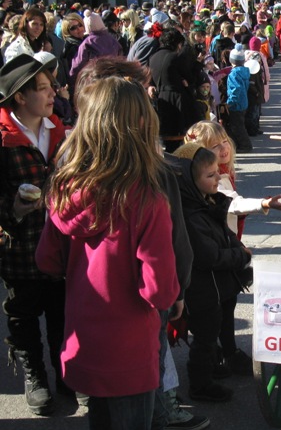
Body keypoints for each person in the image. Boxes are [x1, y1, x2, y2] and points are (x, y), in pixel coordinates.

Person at [73, 56, 210, 430]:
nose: (150, 95)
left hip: (87, 320)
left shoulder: (69, 177)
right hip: (136, 325)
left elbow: (48, 258)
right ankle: (163, 413)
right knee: (141, 405)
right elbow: (163, 268)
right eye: (140, 92)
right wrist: (177, 289)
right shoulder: (152, 183)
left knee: (102, 409)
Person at [35, 74, 180, 430]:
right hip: (129, 353)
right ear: (141, 125)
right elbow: (159, 291)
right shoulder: (147, 200)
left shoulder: (64, 189)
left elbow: (47, 260)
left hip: (84, 344)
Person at [0, 54, 70, 416]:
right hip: (20, 247)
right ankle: (35, 376)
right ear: (20, 97)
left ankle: (65, 373)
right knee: (23, 316)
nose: (52, 94)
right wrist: (12, 209)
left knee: (61, 314)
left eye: (51, 86)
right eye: (43, 88)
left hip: (59, 244)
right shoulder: (3, 139)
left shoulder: (57, 129)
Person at [172, 142, 252, 398]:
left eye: (217, 171)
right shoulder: (191, 216)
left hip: (217, 287)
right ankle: (200, 384)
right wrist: (240, 255)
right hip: (203, 290)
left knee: (214, 329)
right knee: (205, 337)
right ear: (189, 182)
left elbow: (225, 235)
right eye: (210, 175)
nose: (218, 177)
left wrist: (237, 248)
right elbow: (210, 256)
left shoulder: (206, 203)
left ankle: (213, 365)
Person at [184, 120, 281, 239]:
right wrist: (263, 203)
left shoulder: (224, 170)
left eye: (225, 141)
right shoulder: (211, 178)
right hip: (218, 236)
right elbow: (230, 202)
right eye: (215, 146)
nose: (223, 147)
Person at [225, 44, 252, 153]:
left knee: (237, 126)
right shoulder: (245, 71)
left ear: (232, 60)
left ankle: (245, 145)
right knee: (239, 124)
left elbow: (236, 89)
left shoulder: (234, 74)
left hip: (236, 104)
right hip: (243, 102)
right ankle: (237, 144)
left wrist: (230, 102)